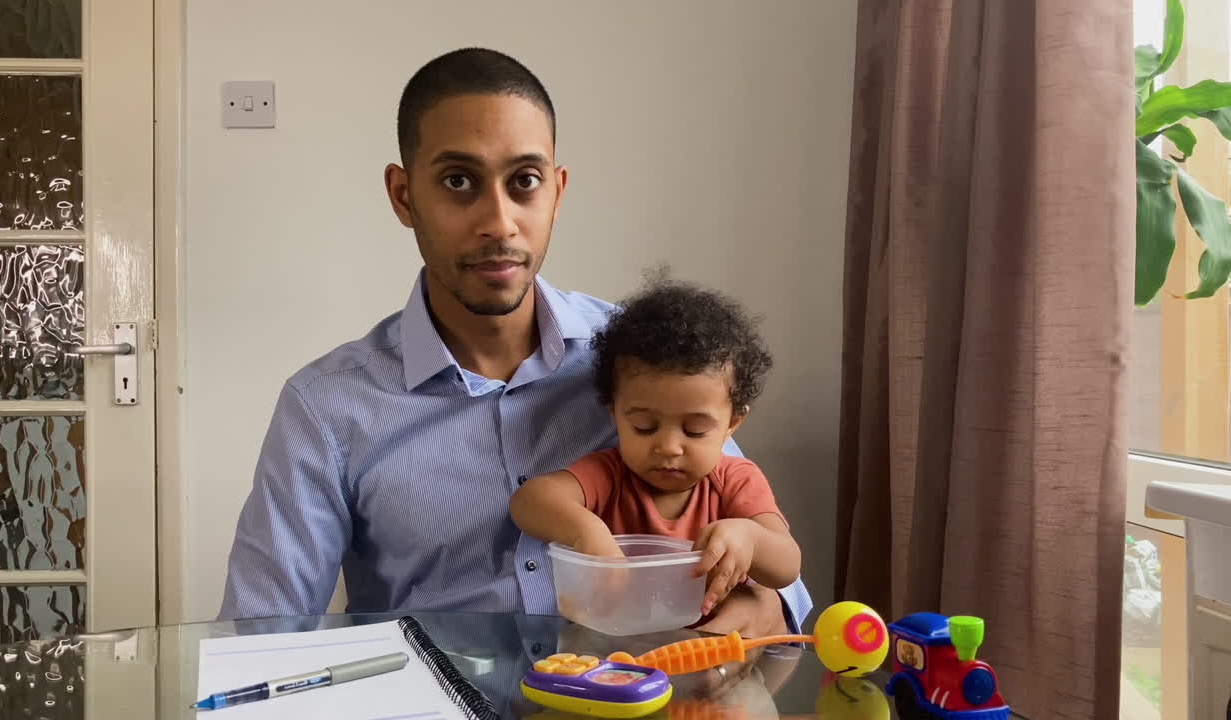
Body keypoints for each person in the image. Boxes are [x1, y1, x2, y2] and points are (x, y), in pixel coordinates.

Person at [218, 46, 812, 639]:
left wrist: (759, 609)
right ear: (403, 195)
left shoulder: (642, 361)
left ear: (557, 191)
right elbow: (260, 638)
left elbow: (766, 568)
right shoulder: (326, 408)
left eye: (525, 182)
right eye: (458, 181)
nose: (499, 223)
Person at [510, 277, 801, 618]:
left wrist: (750, 538)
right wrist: (586, 532)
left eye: (694, 430)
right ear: (614, 413)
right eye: (644, 427)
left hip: (709, 644)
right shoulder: (608, 474)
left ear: (732, 424)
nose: (669, 447)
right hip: (617, 645)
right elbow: (529, 501)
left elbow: (787, 566)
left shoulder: (735, 480)